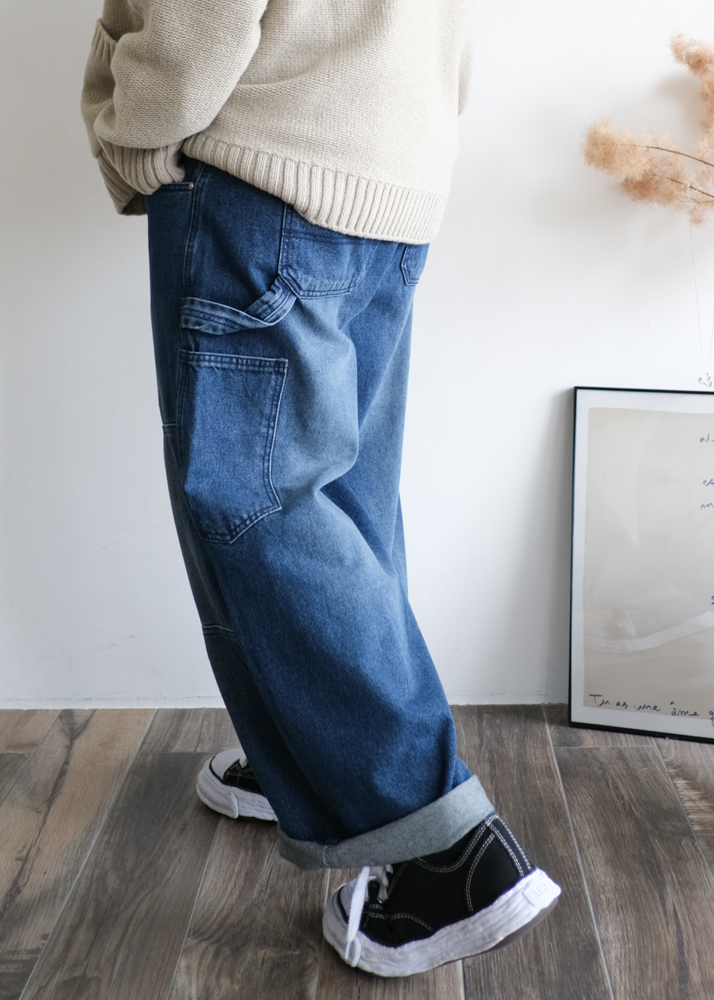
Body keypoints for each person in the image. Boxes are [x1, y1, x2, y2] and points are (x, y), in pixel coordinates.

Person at [81, 0, 560, 977]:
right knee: (338, 502)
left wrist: (132, 134)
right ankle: (314, 752)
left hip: (262, 164)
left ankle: (443, 849)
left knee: (257, 504)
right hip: (388, 165)